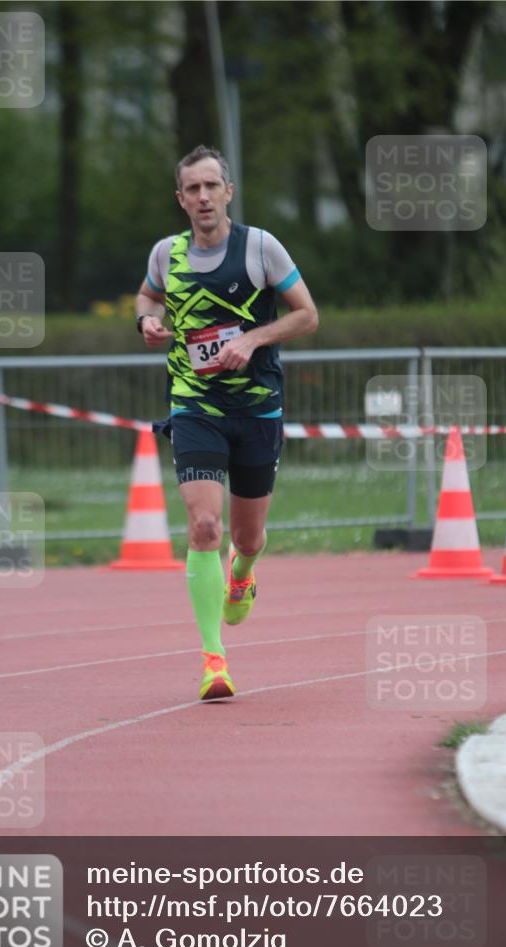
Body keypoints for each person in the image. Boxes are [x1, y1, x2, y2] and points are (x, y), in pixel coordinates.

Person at [135, 144, 318, 701]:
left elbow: (307, 316)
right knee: (204, 527)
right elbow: (147, 296)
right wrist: (147, 321)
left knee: (247, 537)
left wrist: (253, 339)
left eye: (211, 186)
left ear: (228, 192)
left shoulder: (260, 247)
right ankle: (214, 661)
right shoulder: (167, 254)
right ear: (181, 199)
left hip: (256, 408)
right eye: (192, 189)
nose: (203, 197)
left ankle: (242, 574)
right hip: (194, 405)